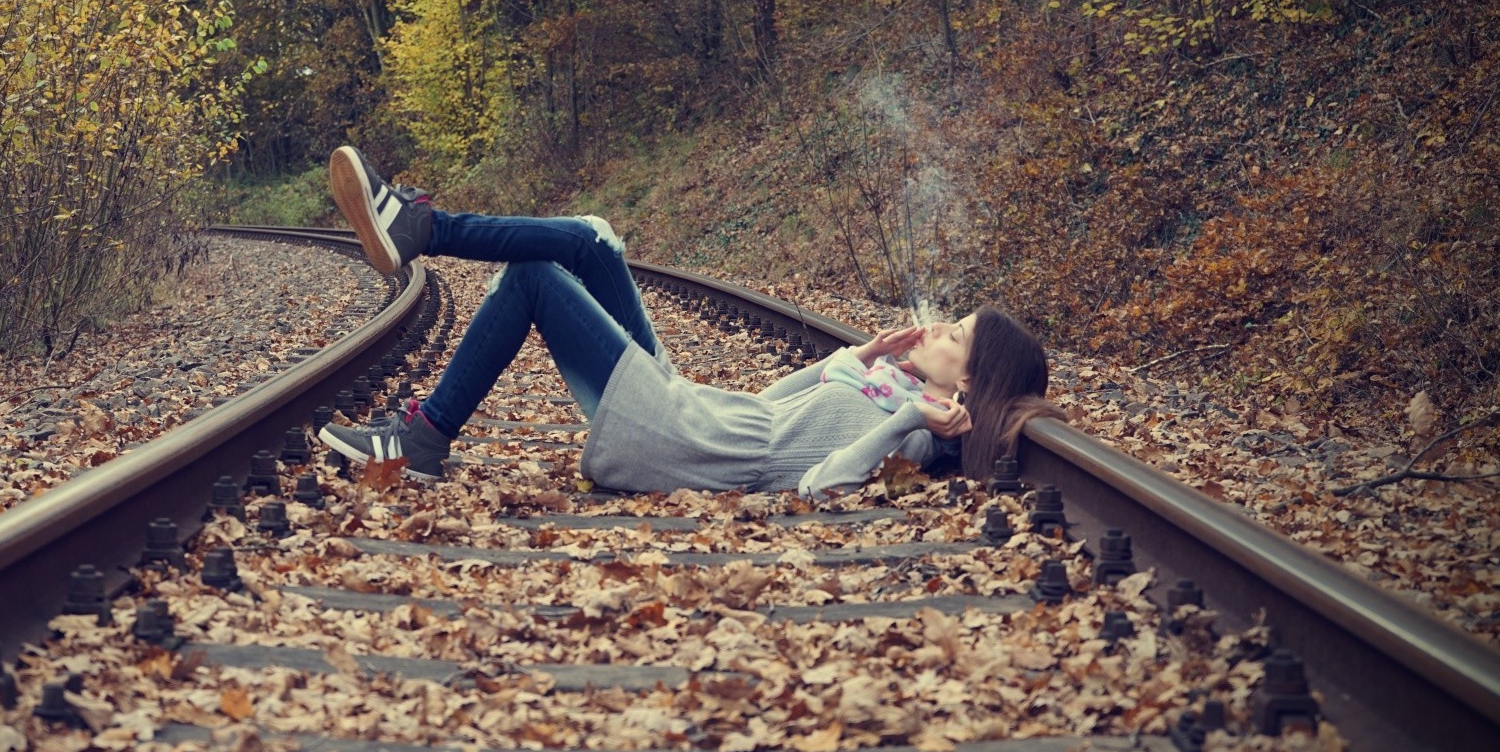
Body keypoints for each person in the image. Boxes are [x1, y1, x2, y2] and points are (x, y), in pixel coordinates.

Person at [317, 146, 1061, 492]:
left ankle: (424, 435)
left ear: (970, 380)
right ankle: (424, 229)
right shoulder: (891, 387)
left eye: (954, 337)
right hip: (695, 409)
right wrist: (857, 357)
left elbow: (817, 485)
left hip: (679, 438)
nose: (936, 330)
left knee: (539, 276)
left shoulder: (921, 438)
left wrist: (908, 423)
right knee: (593, 235)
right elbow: (769, 414)